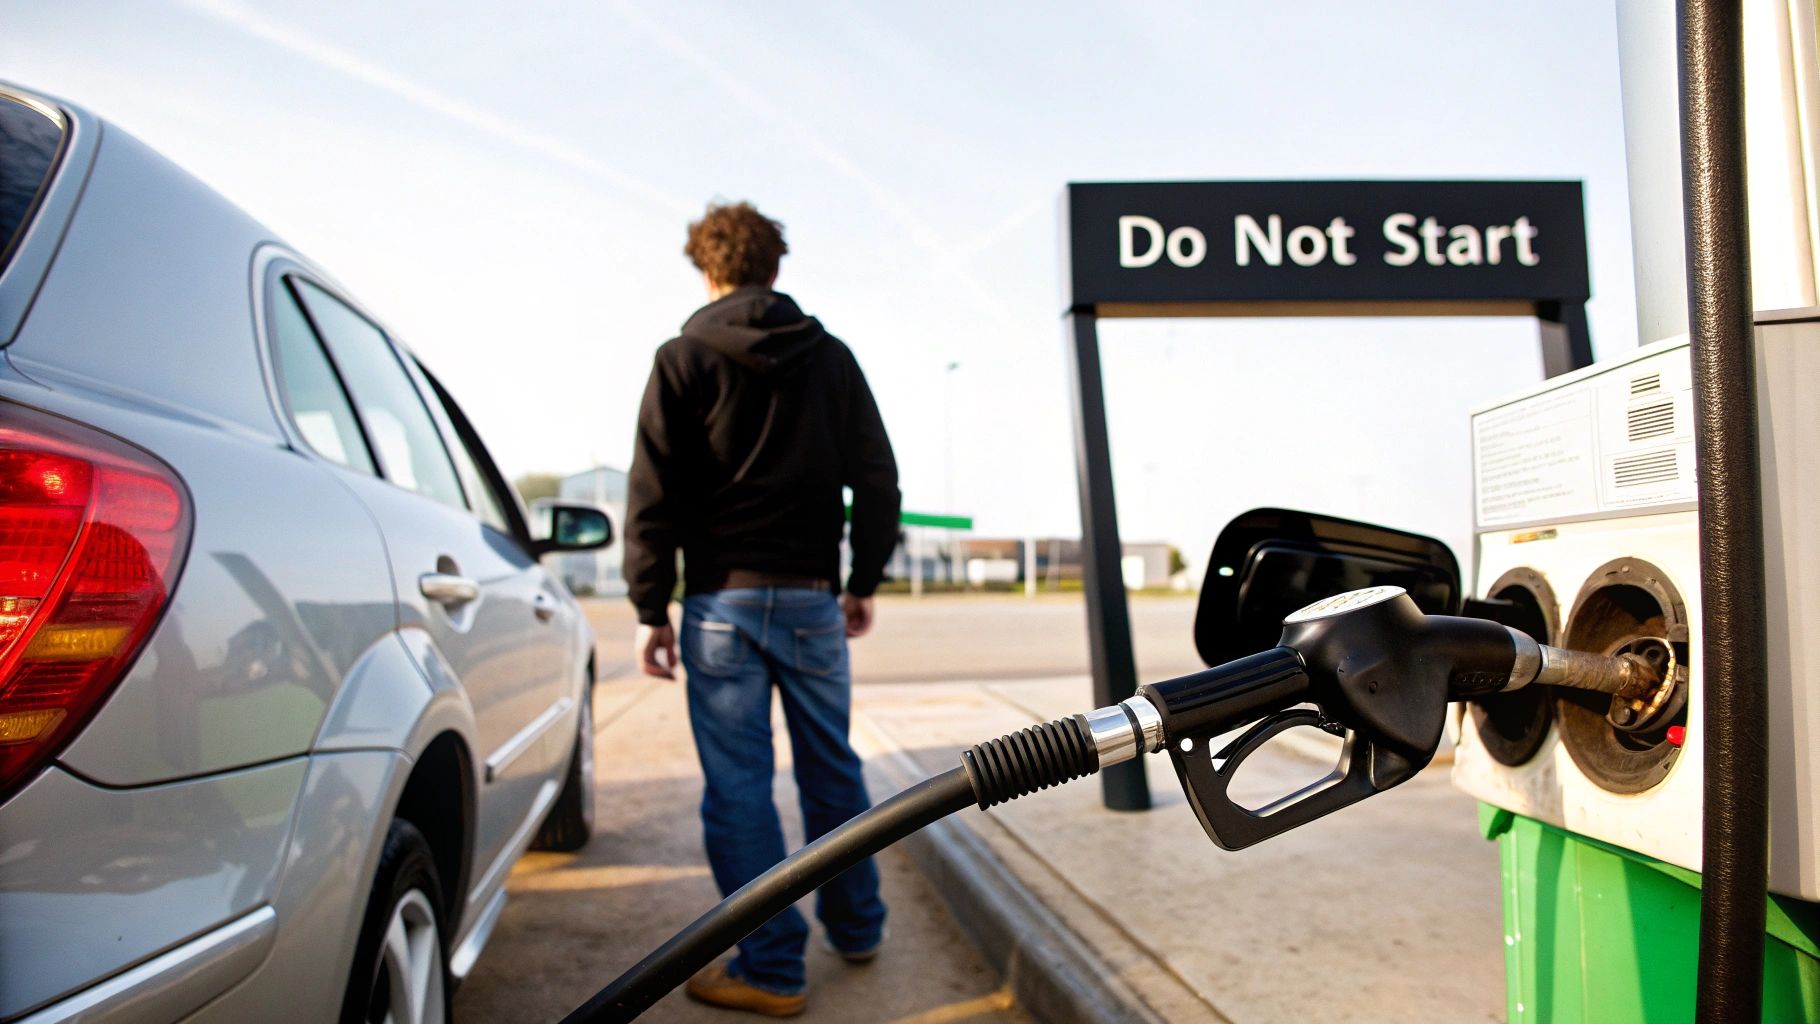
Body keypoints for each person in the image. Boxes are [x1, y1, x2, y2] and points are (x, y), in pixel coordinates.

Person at [624, 200, 901, 1017]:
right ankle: (857, 928)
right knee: (832, 769)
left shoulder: (681, 358)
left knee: (739, 788)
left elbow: (653, 492)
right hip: (814, 599)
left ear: (708, 270)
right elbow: (878, 478)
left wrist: (650, 604)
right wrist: (864, 580)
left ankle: (773, 967)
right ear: (775, 269)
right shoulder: (833, 359)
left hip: (720, 606)